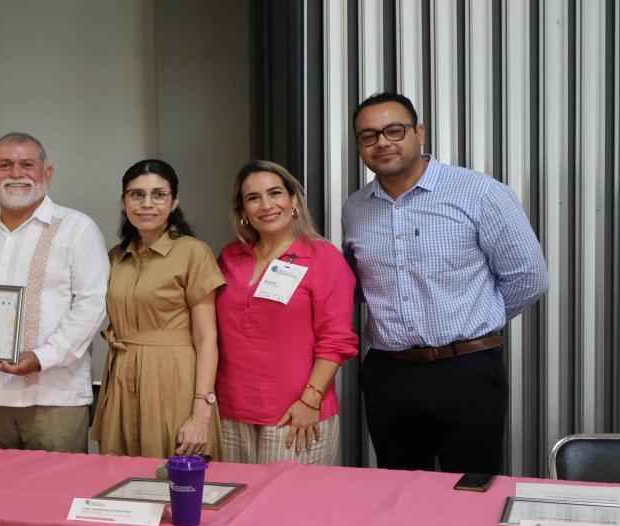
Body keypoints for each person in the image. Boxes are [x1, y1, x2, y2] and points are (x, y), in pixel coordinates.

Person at [343, 91, 549, 473]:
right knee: (399, 492)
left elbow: (529, 277)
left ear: (419, 132)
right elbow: (358, 286)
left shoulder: (480, 193)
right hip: (388, 374)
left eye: (394, 130)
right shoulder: (355, 208)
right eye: (369, 136)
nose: (383, 142)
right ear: (359, 145)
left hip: (466, 370)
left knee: (471, 492)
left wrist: (475, 318)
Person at [0, 132, 108, 452]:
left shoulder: (76, 228)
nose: (16, 173)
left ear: (47, 173)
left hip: (55, 396)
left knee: (55, 495)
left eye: (27, 164)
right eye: (5, 165)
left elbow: (93, 305)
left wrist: (41, 358)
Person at [215, 160, 358, 464]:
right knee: (233, 510)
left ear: (293, 200)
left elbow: (336, 341)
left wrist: (311, 400)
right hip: (229, 413)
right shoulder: (229, 258)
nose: (266, 205)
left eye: (275, 193)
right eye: (253, 198)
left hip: (295, 414)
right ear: (242, 211)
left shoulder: (322, 258)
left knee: (288, 510)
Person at [91, 159, 226, 459]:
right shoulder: (114, 257)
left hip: (174, 379)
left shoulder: (193, 252)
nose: (146, 203)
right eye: (136, 194)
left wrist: (201, 411)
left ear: (174, 201)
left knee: (176, 480)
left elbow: (207, 338)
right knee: (120, 483)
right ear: (123, 201)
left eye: (158, 194)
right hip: (122, 378)